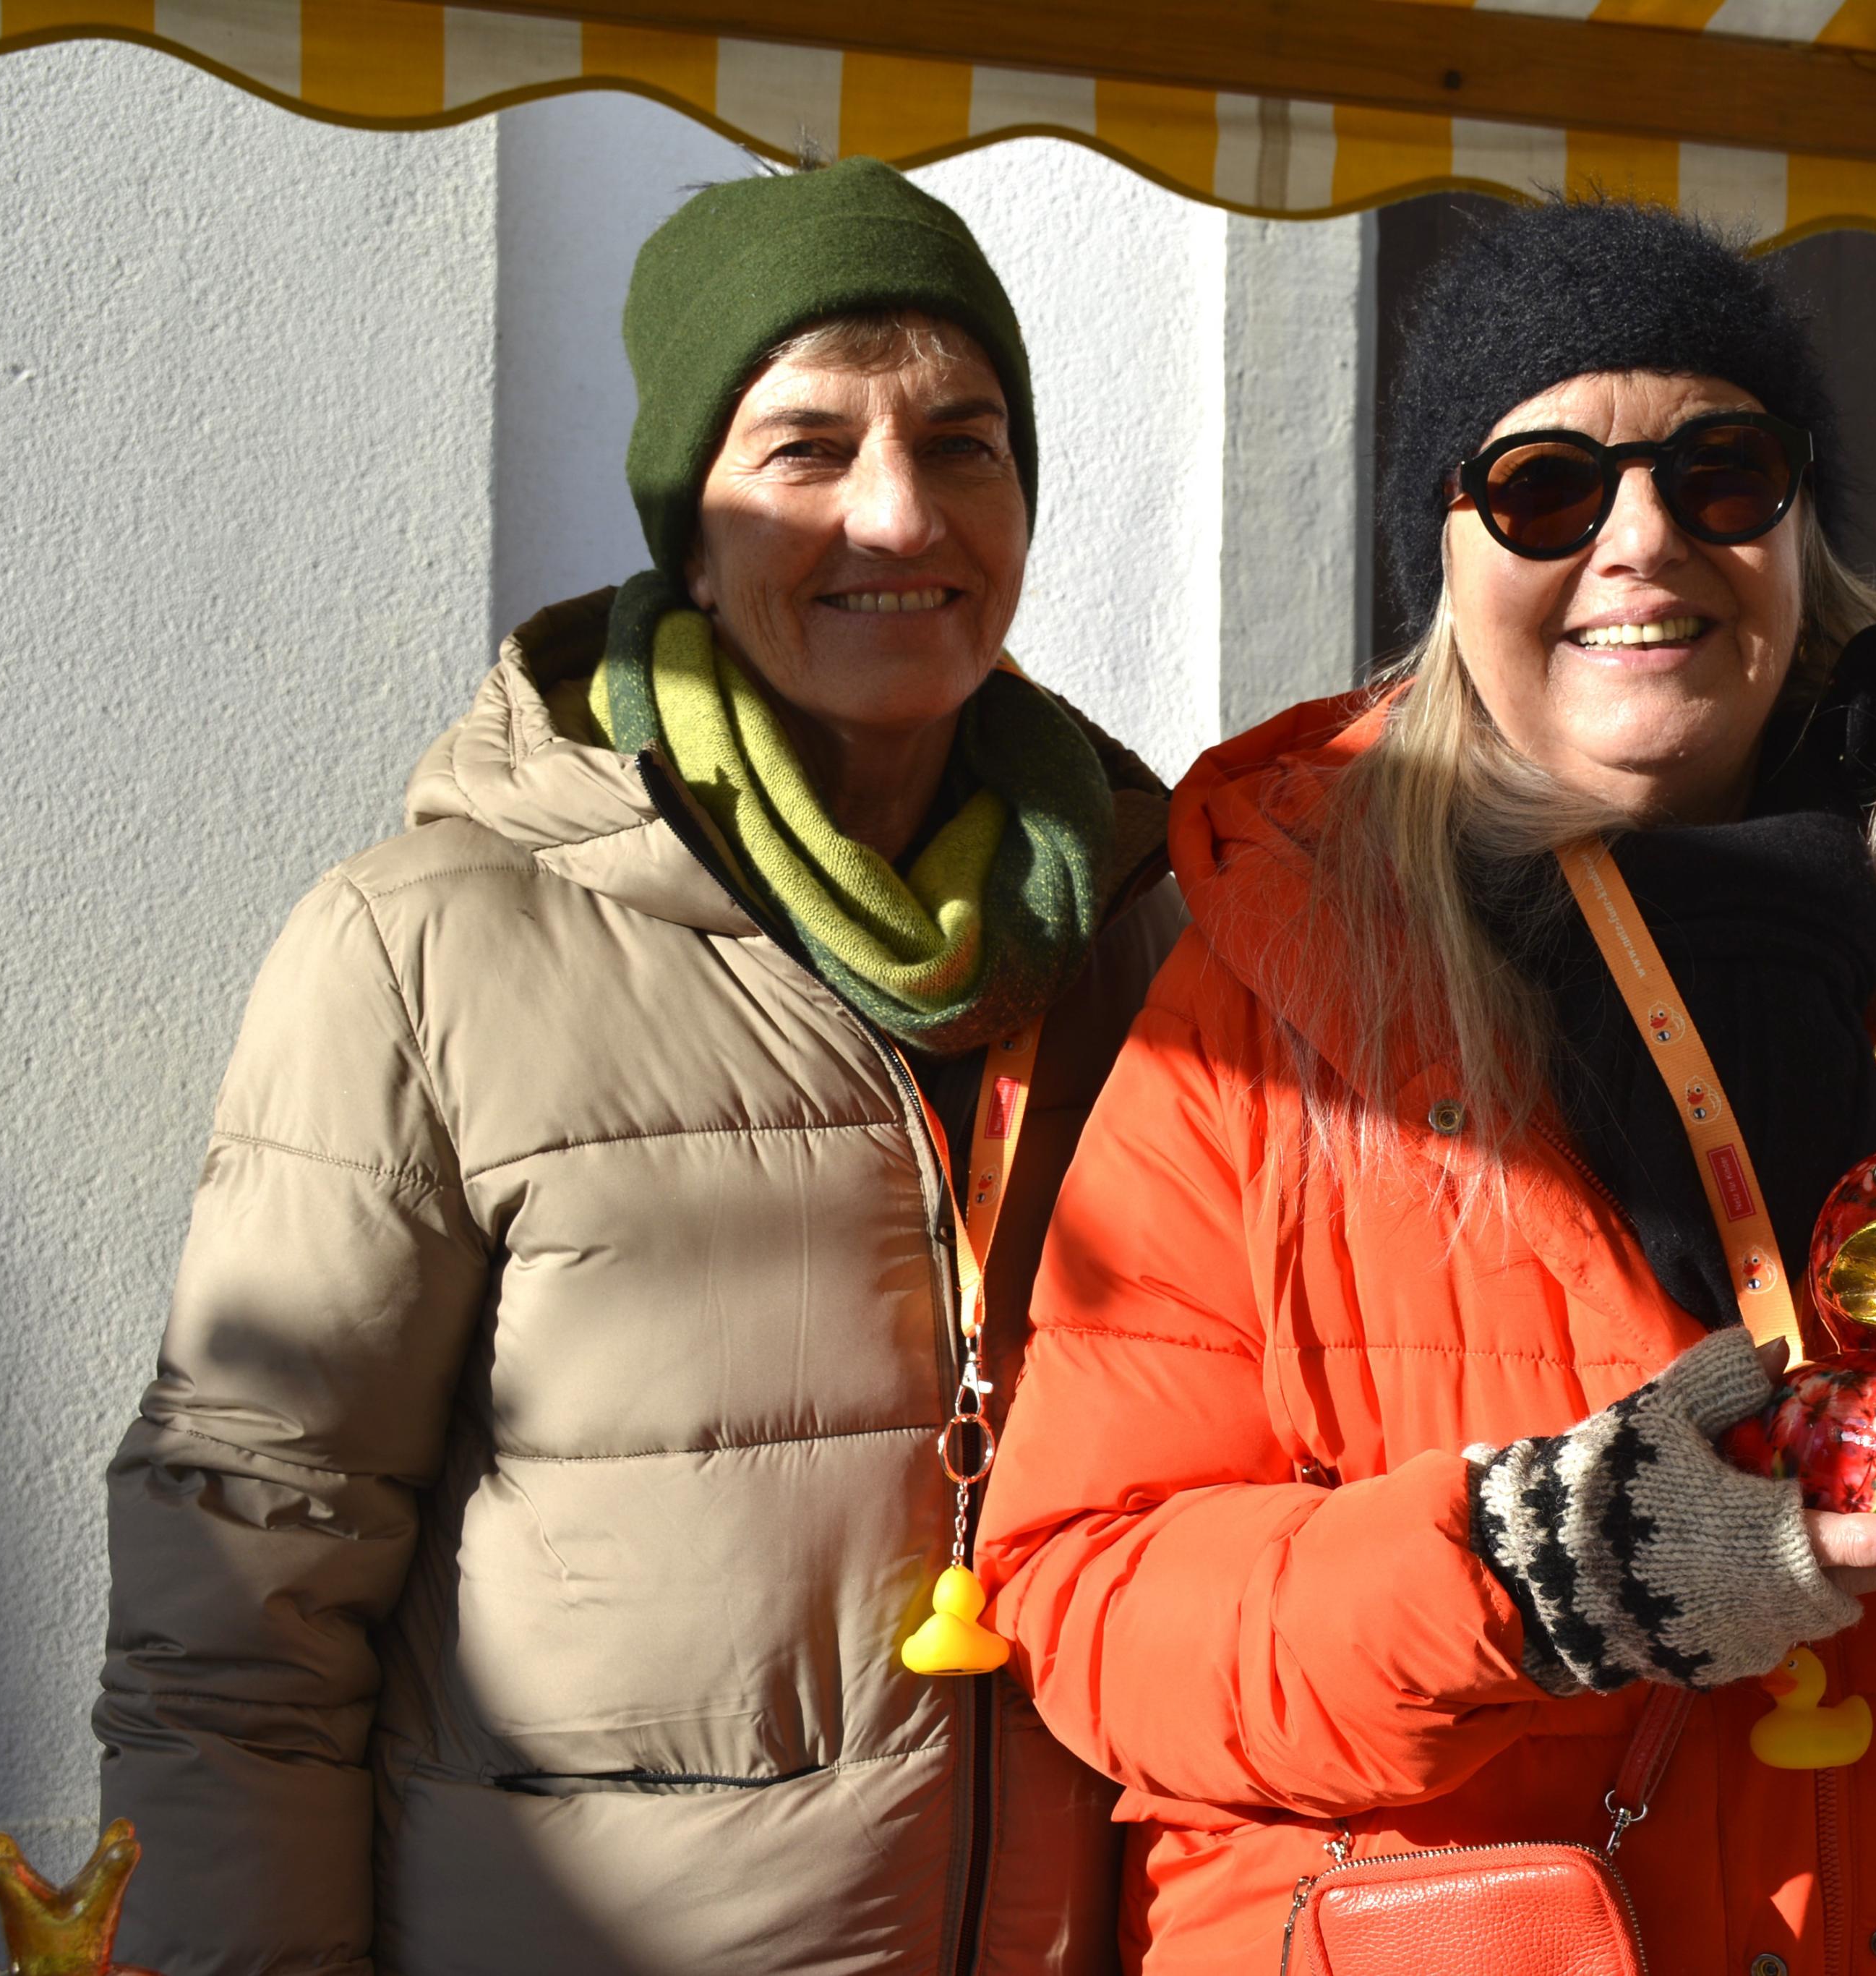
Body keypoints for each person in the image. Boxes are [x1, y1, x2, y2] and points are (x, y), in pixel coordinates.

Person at [976, 197, 1876, 1976]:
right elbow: (1084, 1598)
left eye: (1719, 472)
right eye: (1546, 490)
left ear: (1798, 528)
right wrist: (1527, 1571)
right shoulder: (1282, 981)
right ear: (1446, 559)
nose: (1643, 541)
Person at [95, 158, 1180, 1975]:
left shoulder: (1148, 932)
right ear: (687, 525)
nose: (899, 513)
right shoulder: (425, 950)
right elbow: (244, 1585)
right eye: (806, 449)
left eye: (964, 442)